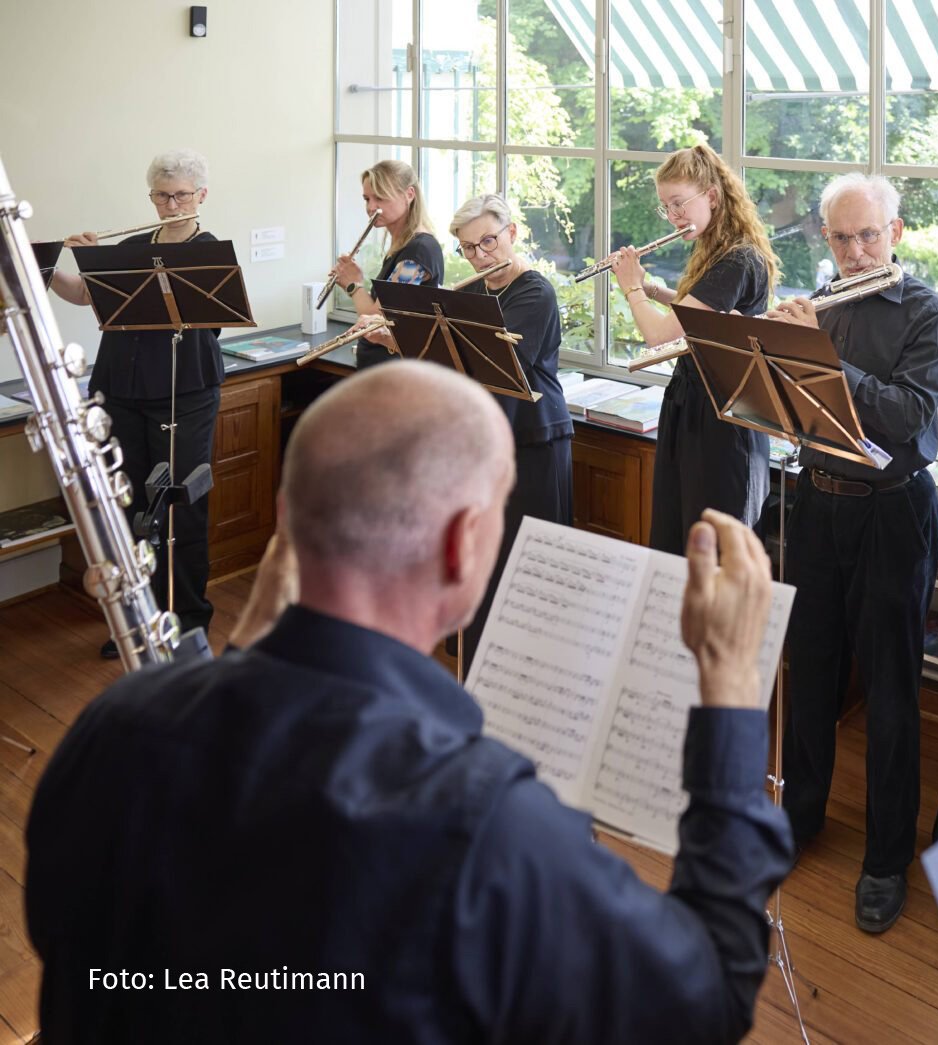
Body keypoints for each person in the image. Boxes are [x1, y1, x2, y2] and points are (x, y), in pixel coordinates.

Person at [24, 361, 793, 1045]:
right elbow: (709, 992)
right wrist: (729, 683)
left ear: (286, 517)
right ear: (463, 543)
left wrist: (242, 657)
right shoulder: (489, 830)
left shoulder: (113, 726)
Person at [766, 174, 938, 933]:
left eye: (868, 235)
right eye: (841, 238)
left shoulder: (927, 312)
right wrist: (777, 360)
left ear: (895, 232)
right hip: (817, 501)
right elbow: (792, 405)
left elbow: (906, 415)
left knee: (889, 690)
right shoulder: (823, 300)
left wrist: (817, 353)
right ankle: (798, 819)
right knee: (809, 671)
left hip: (891, 510)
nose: (854, 252)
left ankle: (885, 859)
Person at [49, 149, 225, 657]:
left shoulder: (208, 251)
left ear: (201, 196)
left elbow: (213, 317)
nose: (171, 206)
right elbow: (84, 295)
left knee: (180, 506)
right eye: (161, 196)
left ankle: (186, 618)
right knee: (129, 506)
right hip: (121, 388)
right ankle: (135, 618)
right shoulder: (131, 246)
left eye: (181, 196)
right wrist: (52, 266)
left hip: (184, 390)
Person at [607, 143, 779, 554]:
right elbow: (700, 314)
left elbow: (662, 337)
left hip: (724, 418)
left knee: (713, 552)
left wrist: (631, 288)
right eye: (666, 206)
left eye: (679, 203)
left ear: (713, 196)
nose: (673, 216)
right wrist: (652, 288)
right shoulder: (715, 250)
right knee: (677, 541)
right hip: (693, 407)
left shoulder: (738, 260)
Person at [448, 193, 574, 656]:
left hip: (536, 438)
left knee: (530, 569)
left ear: (512, 234)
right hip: (489, 441)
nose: (480, 256)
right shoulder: (472, 293)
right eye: (469, 248)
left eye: (488, 242)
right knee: (485, 564)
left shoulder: (535, 292)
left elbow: (503, 361)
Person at [328, 159, 444, 367]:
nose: (371, 207)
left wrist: (353, 285)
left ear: (409, 194)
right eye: (367, 199)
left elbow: (375, 320)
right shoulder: (402, 246)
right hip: (379, 367)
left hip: (397, 372)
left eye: (380, 198)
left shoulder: (418, 252)